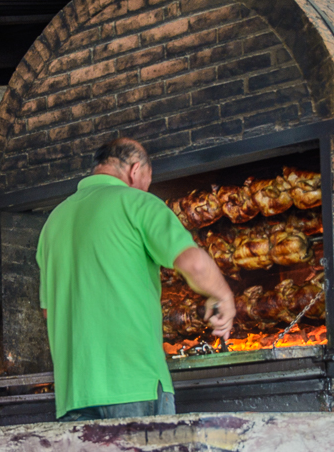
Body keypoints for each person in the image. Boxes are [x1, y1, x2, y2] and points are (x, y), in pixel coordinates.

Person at [36, 137, 235, 422]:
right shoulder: (137, 202)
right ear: (135, 169)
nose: (146, 187)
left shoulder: (53, 223)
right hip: (135, 385)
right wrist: (224, 296)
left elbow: (48, 311)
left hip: (73, 395)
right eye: (147, 180)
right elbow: (193, 262)